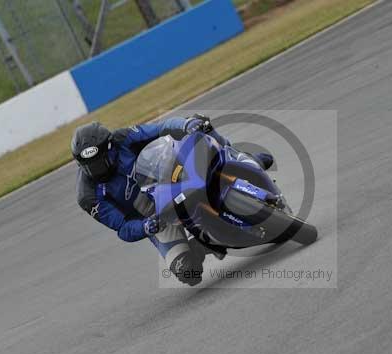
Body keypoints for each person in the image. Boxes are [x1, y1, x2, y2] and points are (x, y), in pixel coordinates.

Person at [72, 114, 273, 286]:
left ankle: (242, 160)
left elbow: (162, 128)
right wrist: (146, 227)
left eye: (99, 163)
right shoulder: (88, 196)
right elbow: (123, 228)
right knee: (188, 273)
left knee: (201, 126)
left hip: (171, 176)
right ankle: (201, 245)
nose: (95, 170)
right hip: (155, 217)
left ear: (111, 148)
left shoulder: (122, 137)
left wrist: (186, 124)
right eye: (88, 166)